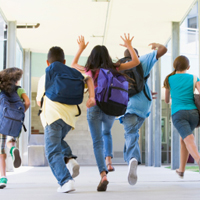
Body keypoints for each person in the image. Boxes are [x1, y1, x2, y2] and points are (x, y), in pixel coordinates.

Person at [71, 33, 140, 191]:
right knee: (106, 132)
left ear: (92, 58)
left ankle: (103, 174)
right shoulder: (115, 68)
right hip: (111, 106)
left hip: (94, 106)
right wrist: (129, 45)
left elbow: (74, 63)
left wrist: (80, 48)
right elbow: (135, 61)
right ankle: (109, 160)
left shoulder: (90, 70)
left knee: (97, 142)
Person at [36, 46, 95, 193]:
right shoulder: (73, 74)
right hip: (69, 119)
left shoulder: (46, 76)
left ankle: (66, 181)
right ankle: (69, 158)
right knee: (57, 142)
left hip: (53, 117)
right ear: (64, 61)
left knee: (52, 151)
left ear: (47, 62)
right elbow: (89, 79)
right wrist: (92, 97)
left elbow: (39, 102)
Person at [119, 43, 167, 186]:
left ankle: (132, 158)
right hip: (144, 105)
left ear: (123, 57)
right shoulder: (142, 61)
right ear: (136, 55)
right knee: (132, 134)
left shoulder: (118, 66)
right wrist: (156, 45)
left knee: (130, 133)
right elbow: (163, 50)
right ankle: (130, 159)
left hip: (127, 106)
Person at [164, 55, 200, 178]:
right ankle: (181, 170)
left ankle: (199, 160)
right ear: (188, 67)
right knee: (183, 139)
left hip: (179, 114)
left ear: (174, 66)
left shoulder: (169, 79)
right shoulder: (194, 78)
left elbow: (167, 100)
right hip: (194, 114)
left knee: (188, 139)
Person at [0, 67, 30, 189]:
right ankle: (13, 149)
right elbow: (27, 102)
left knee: (1, 151)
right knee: (11, 141)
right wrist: (20, 114)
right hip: (15, 121)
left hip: (1, 120)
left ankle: (2, 178)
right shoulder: (19, 89)